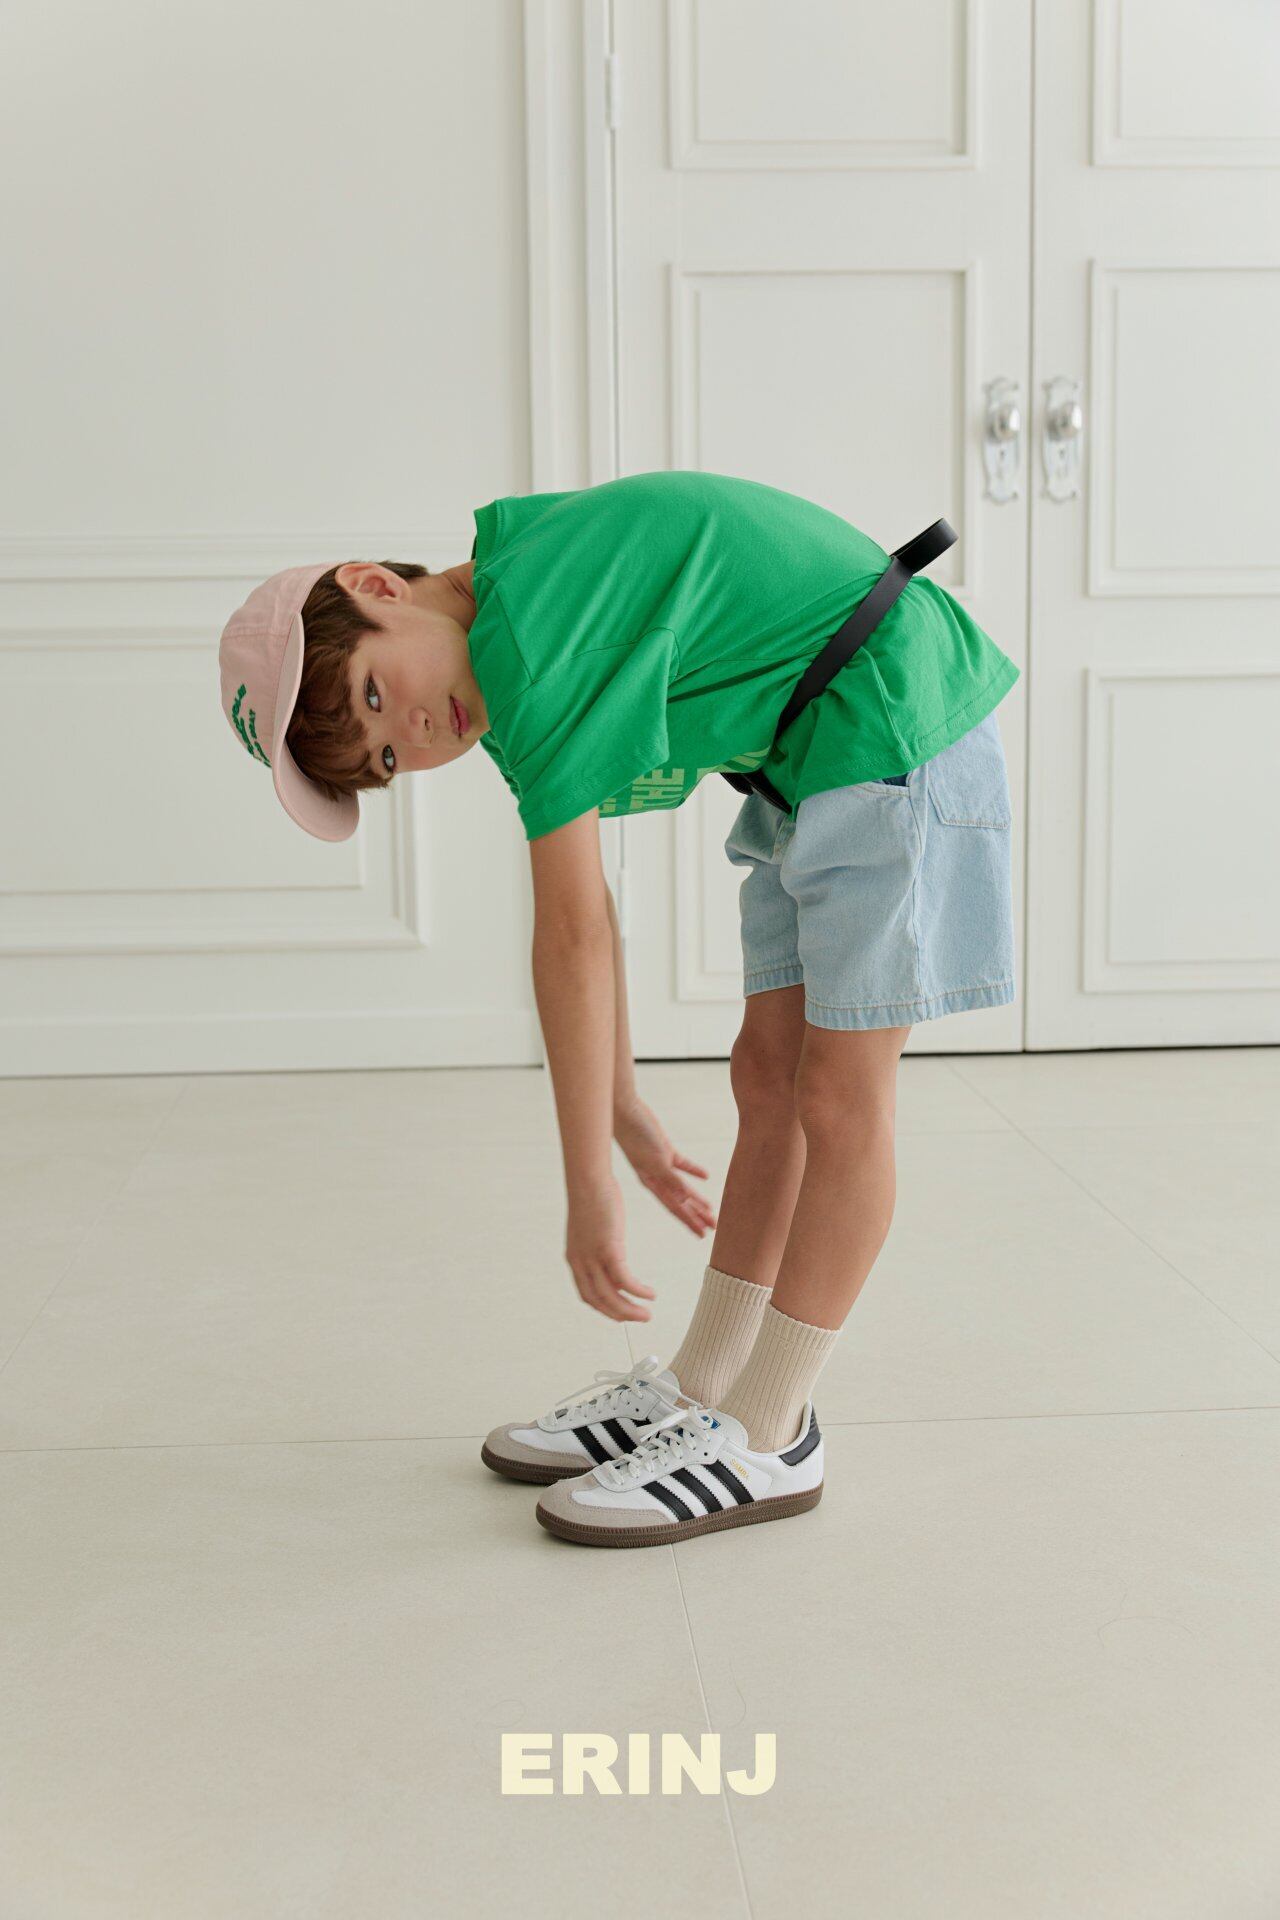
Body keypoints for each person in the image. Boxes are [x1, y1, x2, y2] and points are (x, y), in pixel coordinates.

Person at [216, 468, 1019, 1550]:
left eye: (371, 694)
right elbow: (587, 916)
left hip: (888, 715)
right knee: (766, 1075)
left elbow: (572, 936)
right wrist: (622, 1103)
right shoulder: (509, 629)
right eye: (388, 756)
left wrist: (590, 1187)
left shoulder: (524, 629)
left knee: (838, 1098)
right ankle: (705, 1383)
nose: (413, 730)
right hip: (811, 752)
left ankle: (770, 1430)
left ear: (376, 587)